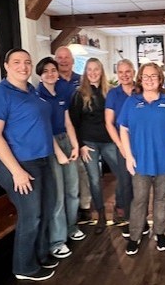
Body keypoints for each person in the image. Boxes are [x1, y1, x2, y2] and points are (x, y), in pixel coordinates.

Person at [0, 48, 60, 281]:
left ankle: (41, 255)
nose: (23, 66)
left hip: (42, 160)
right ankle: (24, 267)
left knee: (47, 208)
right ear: (6, 66)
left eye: (27, 62)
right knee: (31, 215)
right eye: (16, 62)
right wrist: (17, 171)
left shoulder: (32, 91)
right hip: (19, 164)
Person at [119, 62, 165, 255]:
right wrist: (128, 156)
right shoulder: (131, 102)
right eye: (145, 76)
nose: (149, 79)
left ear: (160, 79)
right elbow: (123, 129)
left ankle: (160, 232)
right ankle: (135, 235)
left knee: (162, 200)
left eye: (153, 76)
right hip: (140, 161)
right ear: (139, 79)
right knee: (139, 200)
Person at [36, 57, 86, 260]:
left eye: (53, 70)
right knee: (57, 194)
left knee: (73, 189)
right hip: (50, 144)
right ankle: (57, 241)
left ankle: (71, 227)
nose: (50, 74)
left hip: (66, 139)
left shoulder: (61, 92)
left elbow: (68, 122)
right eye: (45, 71)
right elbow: (44, 128)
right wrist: (58, 153)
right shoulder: (37, 96)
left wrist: (75, 145)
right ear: (40, 75)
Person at [69, 58, 118, 234]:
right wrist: (80, 145)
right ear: (85, 72)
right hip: (89, 143)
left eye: (96, 69)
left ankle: (120, 209)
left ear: (101, 71)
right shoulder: (79, 94)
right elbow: (74, 123)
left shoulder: (110, 92)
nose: (93, 73)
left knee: (123, 174)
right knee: (95, 180)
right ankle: (101, 216)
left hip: (109, 141)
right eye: (89, 69)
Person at [54, 46, 92, 223]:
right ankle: (69, 210)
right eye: (60, 58)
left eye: (66, 57)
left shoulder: (81, 80)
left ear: (72, 61)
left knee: (83, 170)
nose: (63, 61)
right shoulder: (51, 80)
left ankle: (85, 206)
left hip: (82, 130)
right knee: (66, 173)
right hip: (60, 133)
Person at [105, 59, 136, 225]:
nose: (124, 75)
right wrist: (120, 145)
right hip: (123, 143)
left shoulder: (141, 89)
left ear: (134, 72)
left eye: (128, 71)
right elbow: (109, 123)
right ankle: (130, 219)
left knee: (142, 183)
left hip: (142, 142)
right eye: (121, 72)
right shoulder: (113, 94)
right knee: (126, 183)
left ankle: (141, 218)